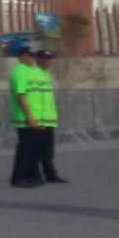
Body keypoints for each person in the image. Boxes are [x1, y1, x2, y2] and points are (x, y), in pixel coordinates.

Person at [8, 46, 47, 188]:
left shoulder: (29, 71)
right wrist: (29, 115)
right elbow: (20, 95)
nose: (32, 59)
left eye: (33, 56)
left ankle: (29, 176)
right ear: (22, 56)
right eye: (30, 56)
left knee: (31, 150)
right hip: (24, 118)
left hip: (34, 117)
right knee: (24, 150)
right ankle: (18, 178)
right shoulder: (19, 72)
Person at [33, 50, 67, 183]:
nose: (48, 61)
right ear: (39, 59)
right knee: (38, 150)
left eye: (49, 59)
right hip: (39, 120)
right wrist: (36, 119)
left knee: (48, 150)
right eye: (46, 59)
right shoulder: (34, 74)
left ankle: (50, 174)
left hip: (49, 120)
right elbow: (34, 99)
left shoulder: (45, 74)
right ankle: (37, 175)